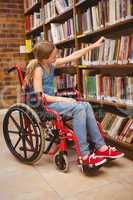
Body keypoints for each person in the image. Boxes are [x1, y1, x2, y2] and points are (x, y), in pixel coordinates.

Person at [23, 37, 124, 168]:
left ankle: (101, 147)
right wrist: (63, 98)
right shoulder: (39, 70)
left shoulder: (50, 64)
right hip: (44, 105)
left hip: (53, 101)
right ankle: (84, 155)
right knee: (79, 108)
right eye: (54, 56)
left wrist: (93, 46)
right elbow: (40, 95)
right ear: (44, 59)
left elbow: (74, 55)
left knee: (86, 104)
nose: (57, 57)